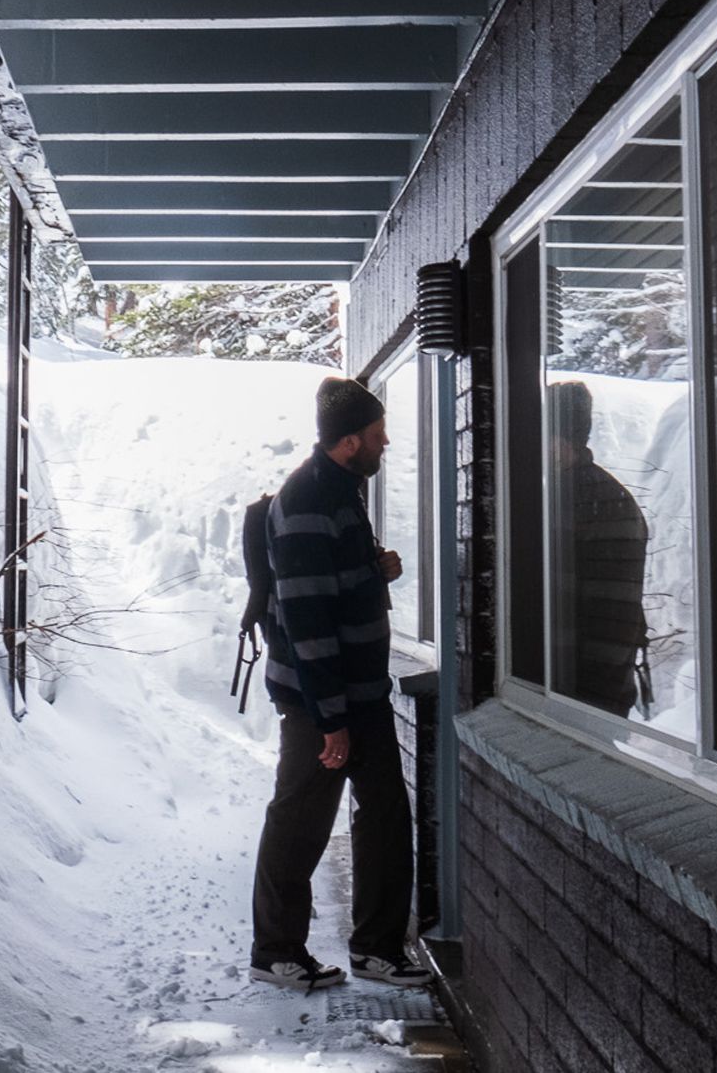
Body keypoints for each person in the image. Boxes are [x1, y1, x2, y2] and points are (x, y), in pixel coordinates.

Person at [247, 376, 433, 992]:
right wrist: (330, 720)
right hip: (319, 700)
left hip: (361, 691)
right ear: (350, 441)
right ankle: (276, 952)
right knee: (300, 819)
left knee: (384, 814)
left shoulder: (343, 491)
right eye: (380, 436)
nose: (388, 444)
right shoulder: (305, 501)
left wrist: (376, 565)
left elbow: (334, 580)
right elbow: (306, 619)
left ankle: (376, 948)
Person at [548, 380, 650, 717]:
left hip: (586, 697)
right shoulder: (579, 495)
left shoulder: (592, 501)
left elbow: (615, 612)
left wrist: (590, 704)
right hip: (578, 691)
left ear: (558, 443)